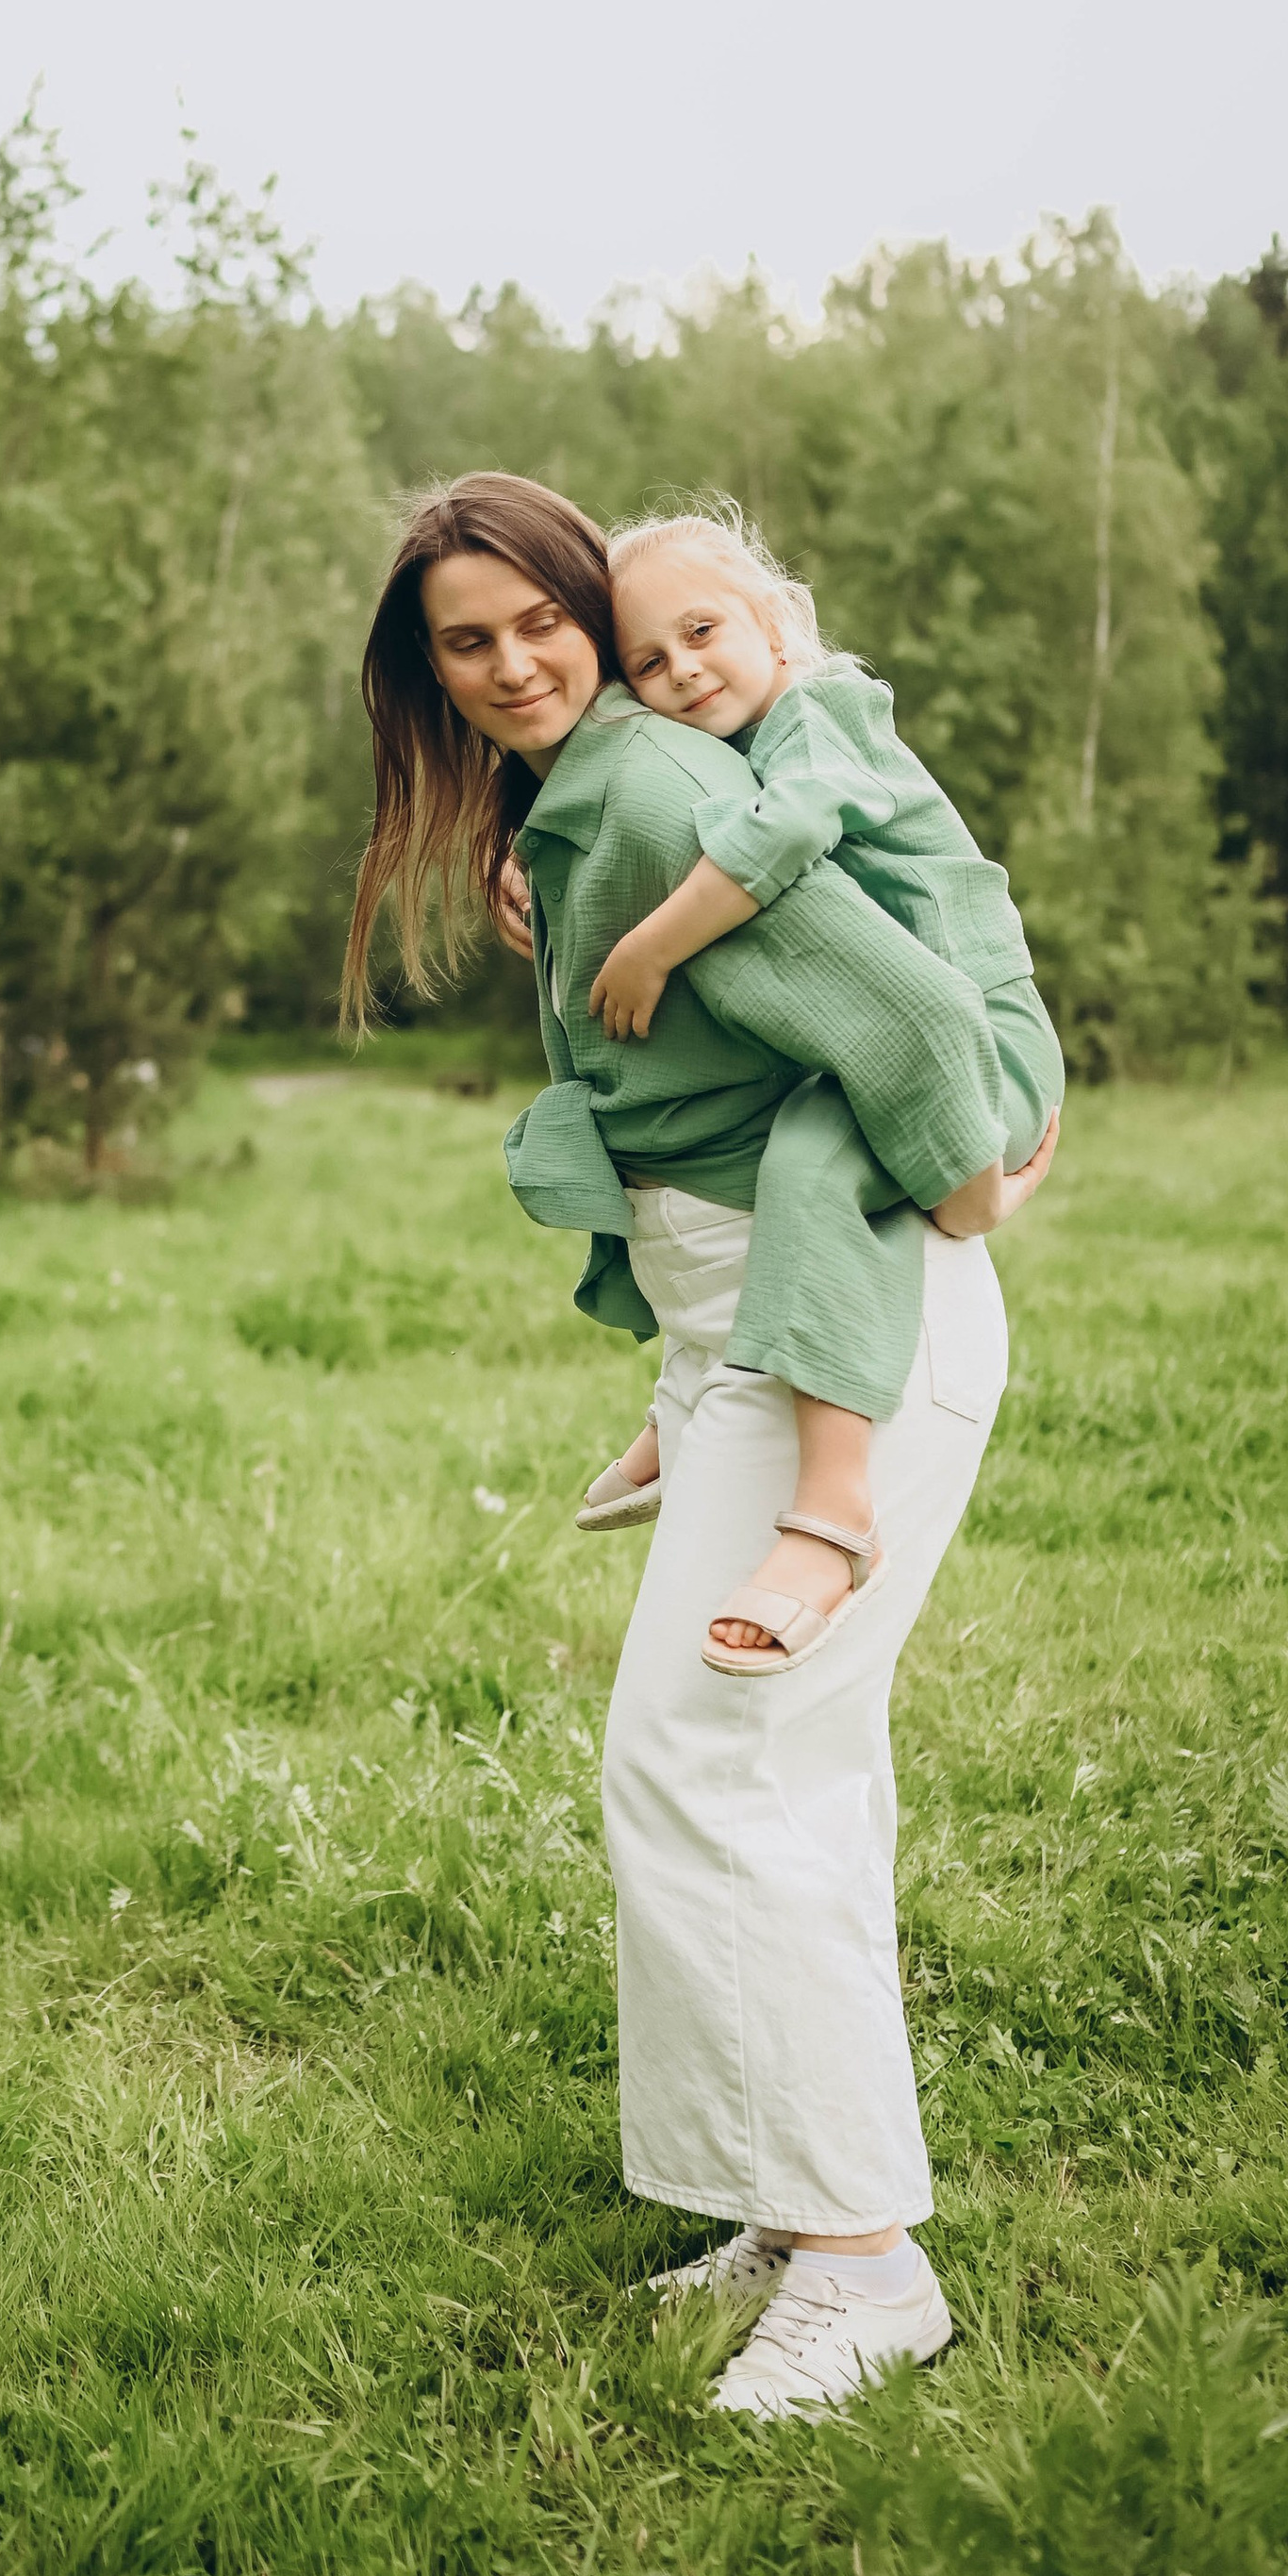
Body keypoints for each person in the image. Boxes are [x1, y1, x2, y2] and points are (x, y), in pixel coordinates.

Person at [343, 472, 1054, 2419]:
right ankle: (789, 2203)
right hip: (747, 1347)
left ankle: (863, 2265)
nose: (514, 665)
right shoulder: (590, 808)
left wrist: (977, 1180)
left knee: (708, 1757)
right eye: (465, 644)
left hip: (850, 1334)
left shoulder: (659, 798)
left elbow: (918, 1022)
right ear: (426, 674)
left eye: (538, 623)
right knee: (759, 1765)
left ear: (591, 613)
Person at [564, 508, 1064, 1674]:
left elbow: (784, 834)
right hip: (896, 1035)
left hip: (977, 1038)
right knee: (752, 1131)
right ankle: (696, 1389)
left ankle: (834, 1515)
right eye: (649, 660)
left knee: (806, 1158)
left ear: (775, 624)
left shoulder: (824, 714)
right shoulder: (738, 739)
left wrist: (650, 946)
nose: (684, 668)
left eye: (703, 631)